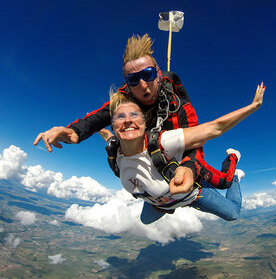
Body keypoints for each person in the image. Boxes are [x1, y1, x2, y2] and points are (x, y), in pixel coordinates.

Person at [34, 34, 252, 189]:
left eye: (148, 74)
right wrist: (72, 132)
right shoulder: (125, 100)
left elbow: (196, 141)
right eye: (133, 79)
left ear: (158, 73)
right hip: (154, 158)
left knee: (223, 182)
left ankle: (233, 157)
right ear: (127, 83)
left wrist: (188, 168)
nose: (143, 85)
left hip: (178, 153)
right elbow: (98, 116)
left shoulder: (178, 105)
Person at [99, 82, 265, 224]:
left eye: (134, 115)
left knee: (232, 211)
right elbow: (108, 135)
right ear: (112, 125)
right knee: (145, 220)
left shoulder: (163, 142)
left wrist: (253, 107)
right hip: (160, 201)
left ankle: (235, 174)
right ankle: (169, 202)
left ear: (144, 122)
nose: (127, 121)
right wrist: (91, 127)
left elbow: (215, 127)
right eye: (120, 117)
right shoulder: (116, 151)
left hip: (194, 194)